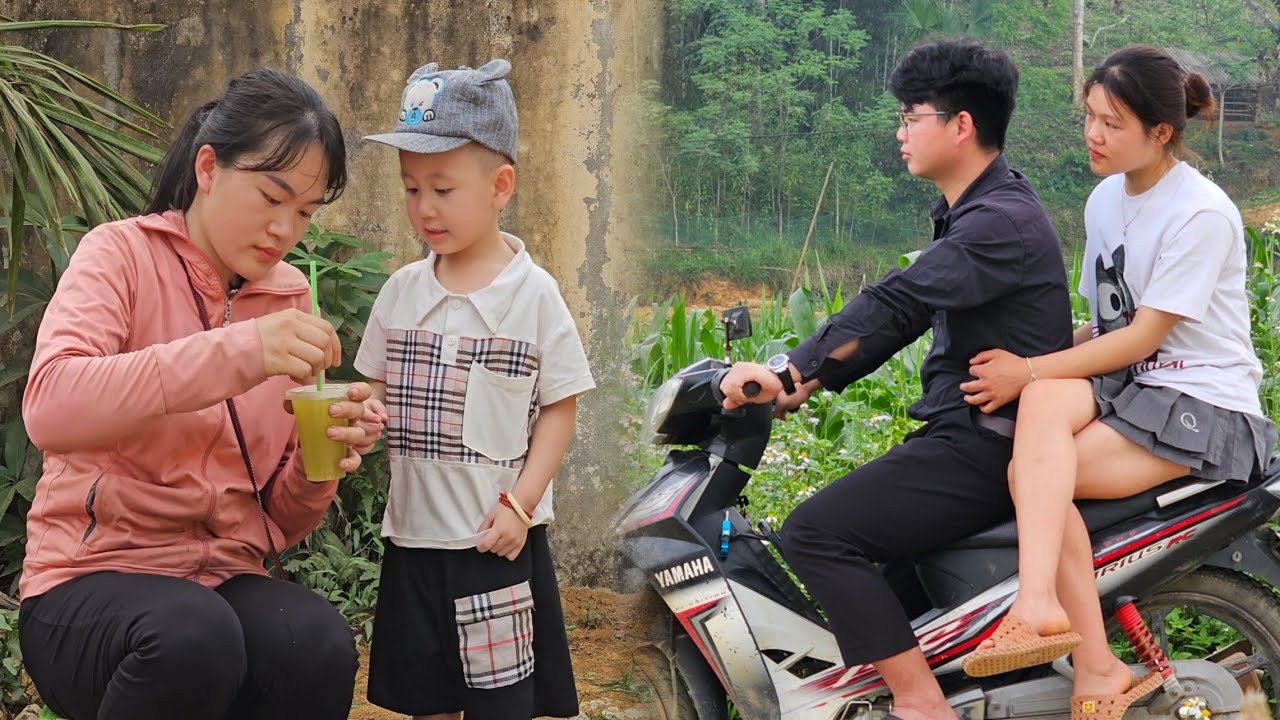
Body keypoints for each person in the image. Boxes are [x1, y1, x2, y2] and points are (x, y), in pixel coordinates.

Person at [718, 40, 1074, 720]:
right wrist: (802, 386)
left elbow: (899, 301)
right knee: (873, 554)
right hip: (972, 433)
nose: (899, 131)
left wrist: (790, 368)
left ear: (961, 125)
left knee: (815, 534)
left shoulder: (996, 222)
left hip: (986, 444)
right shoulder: (975, 211)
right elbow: (903, 320)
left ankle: (919, 705)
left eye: (911, 116)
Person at [16, 69, 388, 720]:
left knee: (317, 642)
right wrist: (237, 353)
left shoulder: (290, 298)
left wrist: (317, 457)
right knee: (194, 636)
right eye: (271, 197)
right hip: (87, 579)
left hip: (222, 577)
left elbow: (281, 520)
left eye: (303, 212)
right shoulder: (119, 256)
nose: (284, 229)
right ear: (209, 167)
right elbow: (50, 406)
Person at [958, 45, 1277, 716]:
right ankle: (1066, 634)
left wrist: (1030, 369)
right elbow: (1105, 327)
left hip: (1201, 399)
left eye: (1113, 123)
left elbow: (1142, 336)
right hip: (1131, 385)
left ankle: (1052, 620)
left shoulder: (1201, 213)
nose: (1094, 136)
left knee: (1036, 474)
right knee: (1037, 414)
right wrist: (1019, 370)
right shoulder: (1106, 199)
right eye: (1090, 117)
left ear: (1162, 132)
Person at [356, 59, 595, 720]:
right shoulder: (401, 292)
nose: (424, 208)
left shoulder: (533, 296)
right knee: (426, 699)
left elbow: (559, 408)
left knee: (501, 704)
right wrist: (363, 413)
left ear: (500, 186)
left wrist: (520, 505)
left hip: (496, 544)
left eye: (442, 188)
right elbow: (370, 388)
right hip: (412, 539)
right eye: (410, 189)